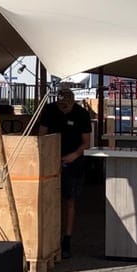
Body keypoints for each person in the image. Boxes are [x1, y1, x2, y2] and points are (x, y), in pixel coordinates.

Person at [38, 87, 92, 258]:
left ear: (72, 102)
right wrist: (45, 155)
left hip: (73, 161)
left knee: (70, 199)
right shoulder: (49, 110)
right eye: (61, 105)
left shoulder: (82, 114)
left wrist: (74, 155)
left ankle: (67, 239)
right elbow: (41, 136)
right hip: (51, 159)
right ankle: (50, 235)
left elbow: (86, 142)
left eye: (66, 106)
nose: (63, 109)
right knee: (49, 199)